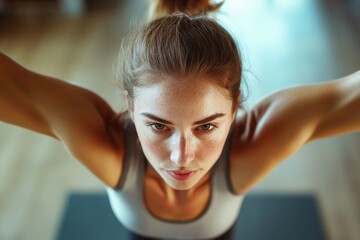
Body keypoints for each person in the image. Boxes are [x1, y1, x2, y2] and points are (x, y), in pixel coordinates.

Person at [0, 0, 359, 239]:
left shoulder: (252, 147)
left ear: (235, 110)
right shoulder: (108, 146)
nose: (181, 157)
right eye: (158, 125)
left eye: (206, 126)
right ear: (130, 104)